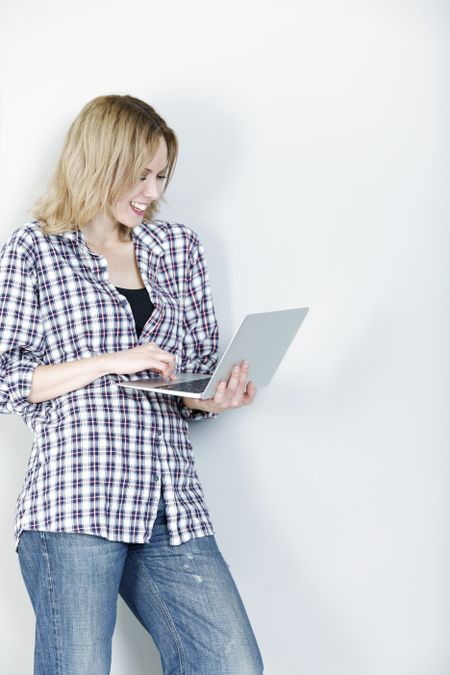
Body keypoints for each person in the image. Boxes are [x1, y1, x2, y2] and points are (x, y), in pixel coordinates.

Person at [0, 95, 264, 675]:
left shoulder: (178, 247)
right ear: (98, 165)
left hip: (171, 498)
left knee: (231, 665)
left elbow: (192, 367)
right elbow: (7, 377)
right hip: (76, 498)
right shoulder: (35, 249)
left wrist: (211, 398)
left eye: (161, 174)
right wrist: (111, 360)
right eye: (138, 174)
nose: (151, 190)